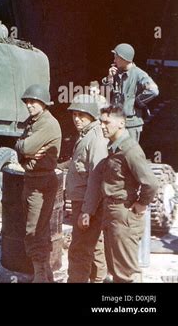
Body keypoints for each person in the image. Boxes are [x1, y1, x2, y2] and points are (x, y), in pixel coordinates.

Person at [96, 105, 158, 283]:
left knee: (126, 274)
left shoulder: (129, 149)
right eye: (101, 122)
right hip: (112, 213)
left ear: (121, 123)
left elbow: (151, 183)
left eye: (107, 122)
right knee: (116, 270)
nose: (102, 126)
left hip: (123, 214)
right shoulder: (115, 148)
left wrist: (141, 204)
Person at [15, 84, 61, 282]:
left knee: (34, 231)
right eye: (27, 102)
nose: (29, 105)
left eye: (33, 102)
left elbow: (25, 147)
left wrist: (25, 149)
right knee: (39, 229)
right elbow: (20, 147)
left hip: (41, 183)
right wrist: (24, 150)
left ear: (43, 103)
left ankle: (40, 277)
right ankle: (45, 274)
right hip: (32, 180)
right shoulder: (33, 122)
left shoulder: (48, 124)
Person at [65, 94, 108, 283]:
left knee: (79, 250)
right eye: (74, 114)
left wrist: (87, 211)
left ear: (92, 115)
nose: (77, 119)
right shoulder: (87, 135)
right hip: (84, 202)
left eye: (82, 115)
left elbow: (97, 178)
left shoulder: (95, 138)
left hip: (86, 203)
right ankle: (99, 279)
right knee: (95, 245)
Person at [101, 43, 159, 142]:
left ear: (125, 59)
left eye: (116, 58)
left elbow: (153, 90)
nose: (114, 60)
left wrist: (137, 102)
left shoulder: (139, 74)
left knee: (129, 154)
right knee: (114, 153)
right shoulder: (115, 73)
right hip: (115, 121)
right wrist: (109, 78)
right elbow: (104, 94)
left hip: (131, 124)